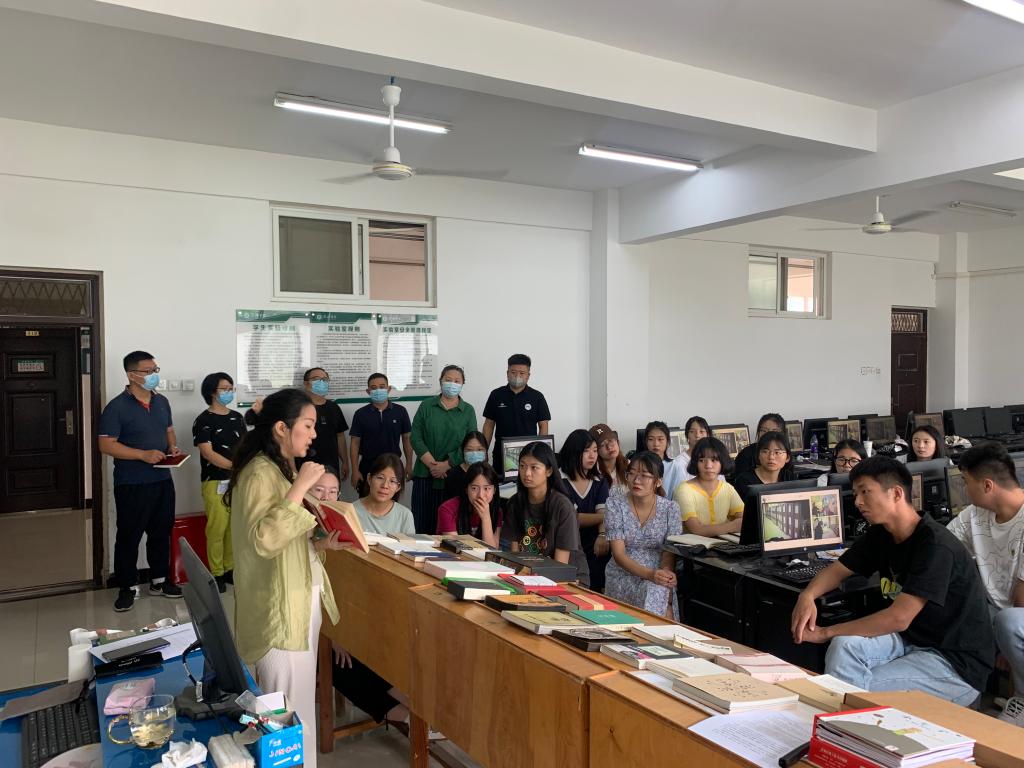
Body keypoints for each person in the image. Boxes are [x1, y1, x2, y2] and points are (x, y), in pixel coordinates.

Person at [790, 456, 995, 706]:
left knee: (852, 689)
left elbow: (899, 618)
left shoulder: (935, 545)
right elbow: (837, 570)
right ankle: (840, 718)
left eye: (865, 492)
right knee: (844, 646)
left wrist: (825, 632)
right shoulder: (881, 534)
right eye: (855, 494)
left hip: (953, 662)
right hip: (909, 639)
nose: (857, 501)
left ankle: (843, 721)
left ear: (896, 493)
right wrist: (808, 595)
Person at [226, 388, 345, 768]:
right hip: (280, 610)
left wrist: (321, 543)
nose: (313, 434)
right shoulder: (261, 472)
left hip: (297, 597)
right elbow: (264, 539)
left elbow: (286, 538)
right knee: (284, 715)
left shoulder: (278, 467)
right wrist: (300, 487)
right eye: (307, 425)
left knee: (296, 707)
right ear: (281, 427)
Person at [309, 471, 410, 726]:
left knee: (374, 652)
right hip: (314, 627)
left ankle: (410, 710)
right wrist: (335, 634)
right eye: (319, 490)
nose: (326, 497)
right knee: (343, 661)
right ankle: (398, 713)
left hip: (344, 618)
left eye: (333, 492)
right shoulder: (304, 530)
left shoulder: (341, 530)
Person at [945, 443, 1024, 725]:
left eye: (966, 482)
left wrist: (1003, 646)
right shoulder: (976, 514)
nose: (965, 490)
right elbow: (944, 547)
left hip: (1016, 615)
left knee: (1008, 621)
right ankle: (966, 709)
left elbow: (1022, 596)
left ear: (987, 485)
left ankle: (1022, 698)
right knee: (954, 609)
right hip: (997, 611)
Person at [98, 350, 183, 612]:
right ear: (131, 375)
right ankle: (127, 586)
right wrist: (142, 455)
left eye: (155, 370)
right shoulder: (116, 407)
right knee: (129, 536)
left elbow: (169, 430)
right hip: (132, 483)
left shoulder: (161, 401)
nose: (154, 375)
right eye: (148, 371)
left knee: (161, 531)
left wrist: (172, 447)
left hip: (162, 479)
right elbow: (106, 445)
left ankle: (159, 580)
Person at [603, 452, 682, 618]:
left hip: (658, 572)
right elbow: (618, 554)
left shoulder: (670, 509)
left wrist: (665, 574)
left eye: (644, 475)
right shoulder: (615, 504)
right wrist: (650, 575)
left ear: (658, 481)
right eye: (631, 473)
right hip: (623, 573)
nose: (636, 480)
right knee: (660, 597)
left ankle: (655, 632)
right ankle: (661, 631)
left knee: (659, 589)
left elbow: (669, 552)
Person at [504, 441, 589, 585]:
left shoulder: (563, 507)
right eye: (522, 466)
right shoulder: (514, 503)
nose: (527, 473)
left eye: (534, 467)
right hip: (528, 576)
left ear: (549, 471)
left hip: (569, 579)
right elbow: (515, 555)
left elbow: (560, 567)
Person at [192, 372, 246, 592]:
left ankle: (230, 568)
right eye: (225, 389)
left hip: (238, 481)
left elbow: (245, 447)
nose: (229, 392)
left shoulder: (237, 417)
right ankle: (216, 572)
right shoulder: (203, 420)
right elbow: (207, 453)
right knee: (217, 528)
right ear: (212, 392)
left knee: (234, 526)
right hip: (214, 480)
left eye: (231, 388)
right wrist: (234, 467)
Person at [409, 365, 477, 534]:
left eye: (457, 381)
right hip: (425, 474)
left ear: (463, 384)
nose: (452, 384)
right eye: (448, 379)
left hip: (454, 476)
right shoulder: (426, 406)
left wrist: (447, 465)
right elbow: (415, 437)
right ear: (440, 381)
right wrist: (433, 465)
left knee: (450, 528)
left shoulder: (468, 410)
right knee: (422, 525)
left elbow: (472, 444)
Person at [559, 430, 611, 592]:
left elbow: (602, 512)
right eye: (586, 451)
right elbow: (574, 519)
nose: (592, 456)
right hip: (569, 543)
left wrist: (602, 534)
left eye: (595, 451)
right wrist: (606, 516)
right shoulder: (560, 481)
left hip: (594, 542)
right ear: (573, 452)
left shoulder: (599, 481)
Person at [348, 373, 413, 497]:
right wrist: (355, 471)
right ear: (368, 391)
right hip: (368, 466)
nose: (378, 390)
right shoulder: (360, 414)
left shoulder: (400, 411)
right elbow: (355, 443)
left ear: (388, 389)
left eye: (382, 387)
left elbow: (406, 439)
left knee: (390, 502)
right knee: (366, 501)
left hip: (393, 466)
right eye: (374, 387)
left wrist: (409, 464)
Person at [482, 354, 551, 468]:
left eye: (522, 373)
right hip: (501, 454)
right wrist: (483, 450)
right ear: (507, 373)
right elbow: (488, 425)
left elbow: (543, 426)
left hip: (529, 455)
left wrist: (540, 453)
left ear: (528, 375)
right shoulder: (496, 395)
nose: (517, 376)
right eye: (513, 372)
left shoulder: (537, 397)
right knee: (500, 480)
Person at [674, 437, 745, 537]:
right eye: (702, 460)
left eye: (713, 460)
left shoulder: (727, 488)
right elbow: (696, 529)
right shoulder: (684, 490)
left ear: (722, 462)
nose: (708, 466)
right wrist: (733, 526)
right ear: (695, 463)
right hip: (694, 545)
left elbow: (745, 520)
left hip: (725, 544)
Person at [298, 367, 350, 481]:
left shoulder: (334, 408)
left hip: (331, 467)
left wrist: (345, 461)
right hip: (304, 468)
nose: (321, 382)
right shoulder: (298, 408)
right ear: (306, 383)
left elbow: (340, 437)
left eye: (325, 379)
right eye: (316, 379)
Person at [436, 463, 502, 547]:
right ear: (466, 489)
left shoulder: (496, 511)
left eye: (486, 488)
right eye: (474, 488)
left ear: (494, 490)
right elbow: (456, 548)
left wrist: (486, 519)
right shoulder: (447, 509)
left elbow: (492, 550)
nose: (480, 495)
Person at [353, 454, 415, 535]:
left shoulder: (405, 516)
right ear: (369, 478)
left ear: (398, 487)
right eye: (380, 478)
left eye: (392, 481)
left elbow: (409, 543)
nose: (385, 486)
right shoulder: (351, 511)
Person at [732, 431, 794, 502]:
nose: (771, 457)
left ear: (787, 458)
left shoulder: (790, 478)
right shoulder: (744, 481)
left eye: (777, 452)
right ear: (758, 455)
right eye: (765, 452)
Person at [663, 416, 712, 498]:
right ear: (687, 435)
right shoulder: (679, 463)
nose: (697, 435)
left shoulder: (715, 461)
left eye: (701, 431)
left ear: (708, 435)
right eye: (692, 432)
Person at [734, 413, 787, 477]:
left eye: (774, 431)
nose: (768, 434)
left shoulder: (785, 453)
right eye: (764, 431)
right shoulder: (745, 455)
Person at [443, 431, 490, 500]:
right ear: (463, 451)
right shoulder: (453, 475)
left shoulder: (489, 473)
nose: (474, 453)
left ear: (486, 451)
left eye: (479, 449)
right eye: (469, 450)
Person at [591, 423, 628, 500]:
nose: (609, 447)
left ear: (617, 441)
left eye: (610, 440)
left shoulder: (630, 465)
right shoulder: (594, 472)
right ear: (596, 450)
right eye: (602, 445)